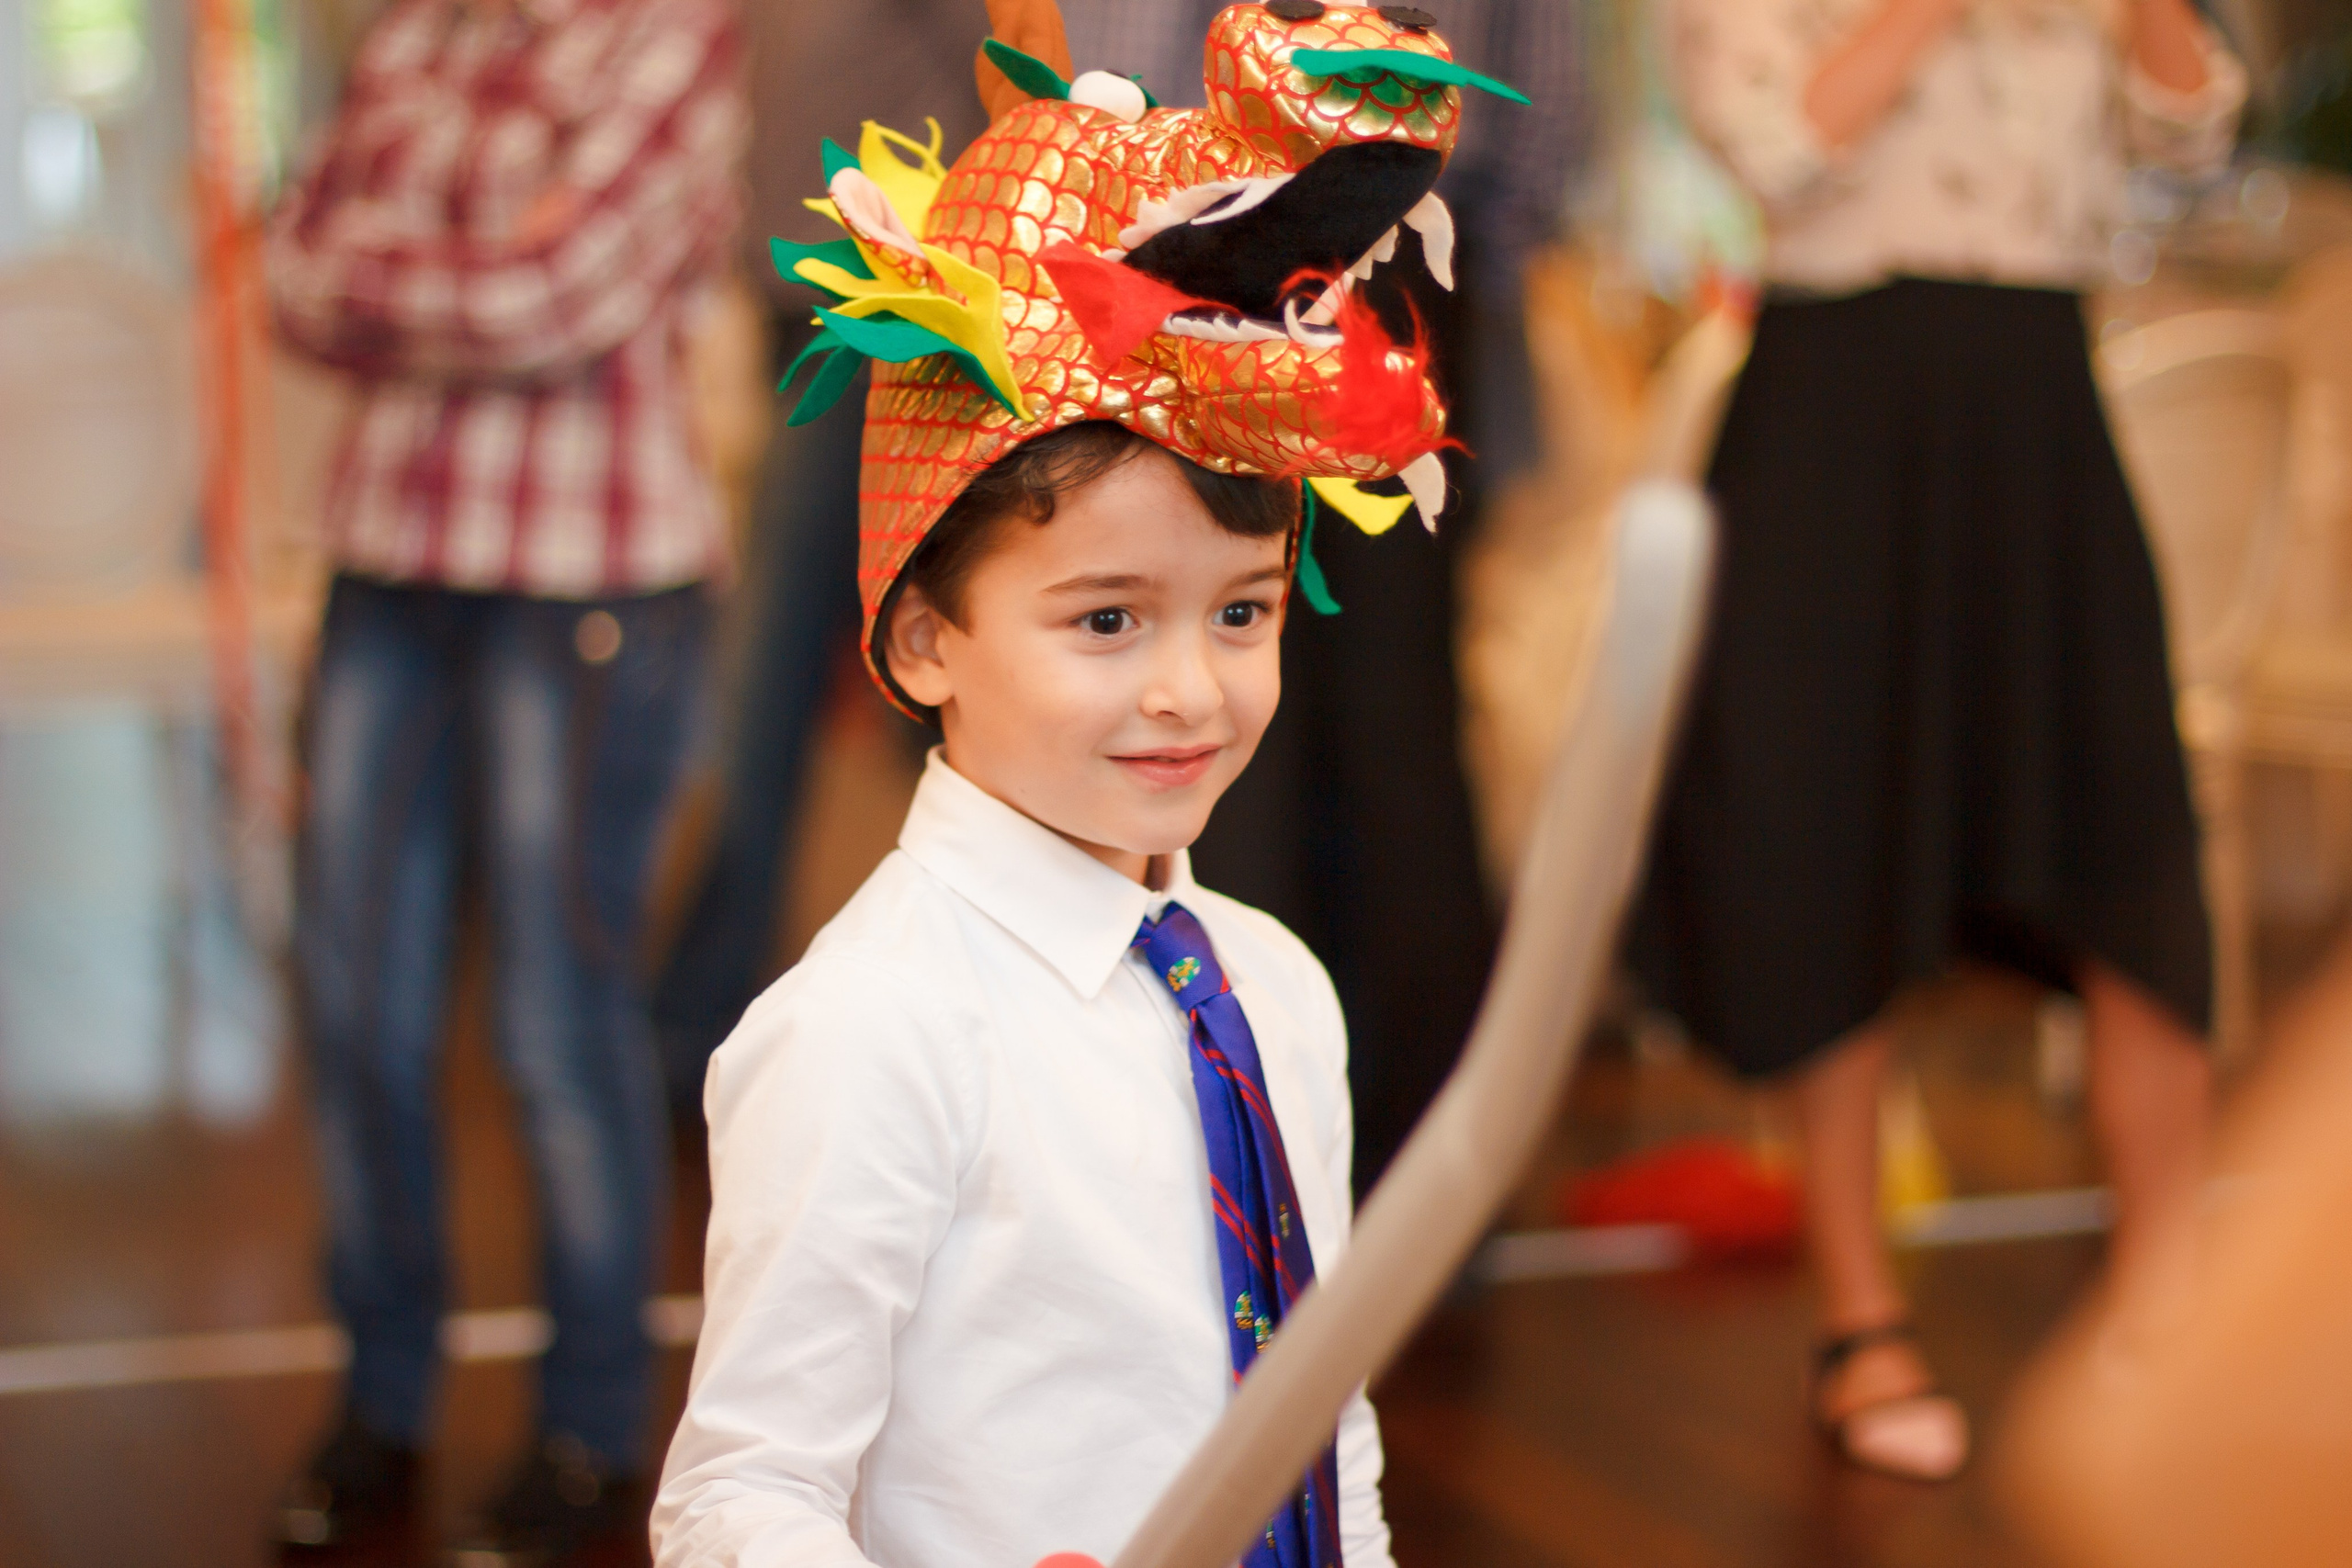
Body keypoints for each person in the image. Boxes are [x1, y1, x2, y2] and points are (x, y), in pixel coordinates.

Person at [652, 2, 1515, 1558]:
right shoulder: (867, 1034)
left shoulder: (1279, 994)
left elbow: (1331, 1424)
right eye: (1105, 620)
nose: (1189, 687)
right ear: (923, 637)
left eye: (1239, 613)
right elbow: (743, 1499)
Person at [1632, 0, 2245, 1483]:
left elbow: (2196, 132)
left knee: (2132, 844)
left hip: (2042, 400)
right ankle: (1860, 1317)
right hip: (1834, 404)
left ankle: (2167, 1320)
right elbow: (1769, 151)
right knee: (1829, 835)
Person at [261, 0, 745, 1555]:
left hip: (589, 580)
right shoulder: (419, 26)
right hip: (389, 563)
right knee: (357, 1008)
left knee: (557, 1017)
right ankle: (379, 1403)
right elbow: (287, 264)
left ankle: (593, 1432)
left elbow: (563, 292)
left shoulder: (677, 33)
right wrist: (465, 264)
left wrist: (393, 262)